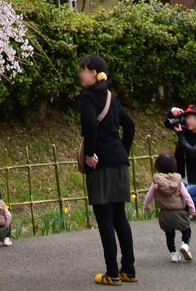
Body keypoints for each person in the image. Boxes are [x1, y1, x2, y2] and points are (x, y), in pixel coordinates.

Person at [79, 54, 136, 286]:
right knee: (119, 216)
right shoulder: (112, 97)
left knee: (104, 217)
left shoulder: (88, 98)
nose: (80, 73)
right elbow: (130, 125)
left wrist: (90, 154)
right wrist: (122, 151)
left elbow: (91, 124)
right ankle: (128, 270)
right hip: (119, 162)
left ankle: (112, 273)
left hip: (101, 164)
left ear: (94, 73)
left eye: (83, 69)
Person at [165, 104, 196, 220]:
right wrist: (172, 111)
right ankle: (191, 208)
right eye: (186, 117)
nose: (187, 121)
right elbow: (168, 123)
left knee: (184, 193)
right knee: (171, 191)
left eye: (190, 118)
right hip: (187, 181)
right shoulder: (186, 133)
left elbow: (193, 152)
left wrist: (181, 136)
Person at [143, 151, 196, 263]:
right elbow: (186, 196)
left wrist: (146, 206)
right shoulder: (178, 180)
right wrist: (192, 208)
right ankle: (185, 245)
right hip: (179, 212)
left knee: (169, 234)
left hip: (164, 214)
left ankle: (173, 254)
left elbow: (149, 195)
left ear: (157, 166)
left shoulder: (156, 181)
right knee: (186, 230)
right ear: (174, 166)